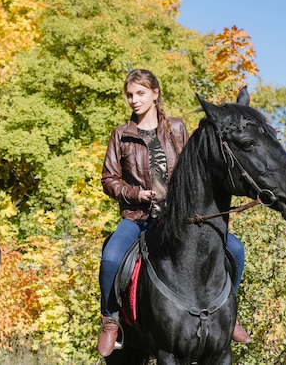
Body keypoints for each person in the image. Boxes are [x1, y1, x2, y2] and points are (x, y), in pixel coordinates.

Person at [97, 69, 251, 357]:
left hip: (178, 218)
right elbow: (109, 179)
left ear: (155, 93)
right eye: (130, 94)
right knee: (111, 258)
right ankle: (110, 321)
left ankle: (230, 314)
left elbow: (194, 168)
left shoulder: (177, 128)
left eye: (140, 93)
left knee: (236, 249)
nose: (134, 100)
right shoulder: (121, 134)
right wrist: (136, 194)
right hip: (138, 218)